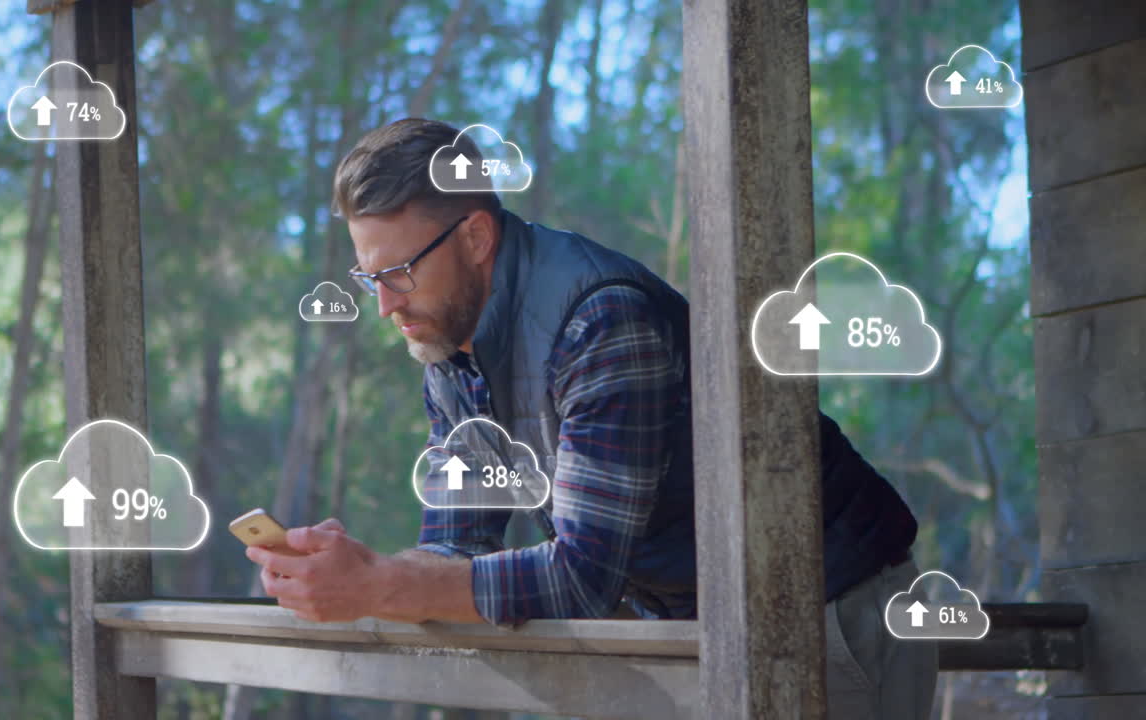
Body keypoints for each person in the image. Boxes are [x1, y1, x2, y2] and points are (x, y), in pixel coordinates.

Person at [243, 117, 936, 720]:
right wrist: (364, 570)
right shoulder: (448, 348)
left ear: (477, 237)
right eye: (370, 280)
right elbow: (457, 544)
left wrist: (379, 586)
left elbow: (581, 575)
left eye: (398, 273)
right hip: (707, 624)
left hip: (829, 609)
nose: (385, 306)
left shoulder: (600, 321)